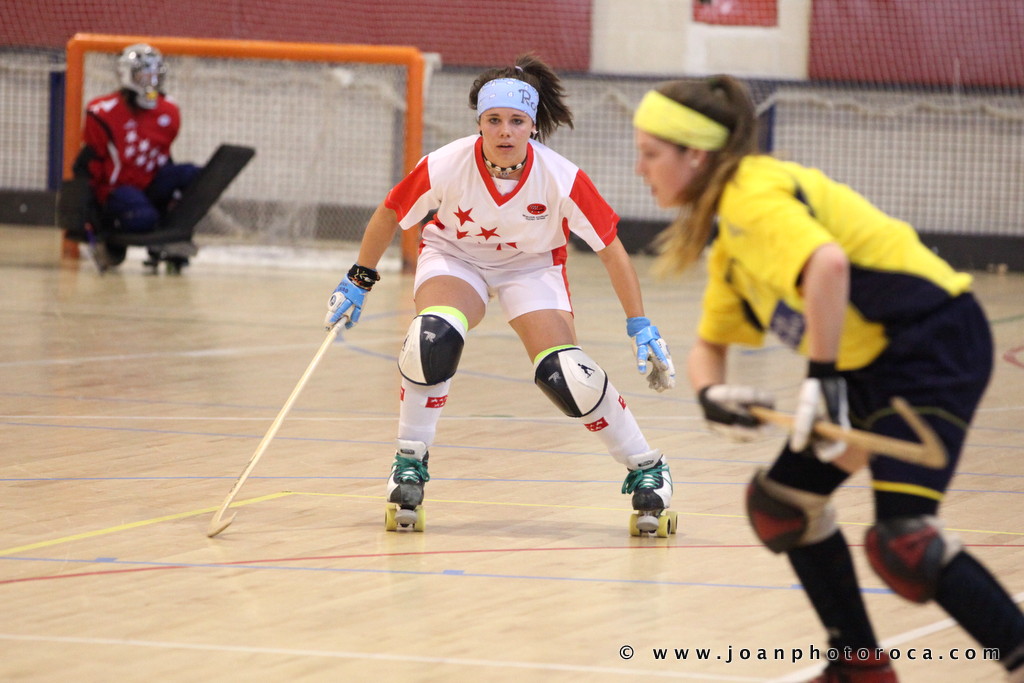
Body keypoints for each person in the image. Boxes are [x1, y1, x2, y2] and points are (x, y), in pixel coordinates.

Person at [631, 75, 1024, 682]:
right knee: (782, 505)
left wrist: (822, 378)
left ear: (695, 154)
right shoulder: (731, 238)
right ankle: (858, 668)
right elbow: (710, 344)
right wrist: (712, 395)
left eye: (650, 154)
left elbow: (828, 264)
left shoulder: (751, 195)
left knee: (905, 545)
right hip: (876, 365)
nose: (640, 170)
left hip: (932, 346)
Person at [325, 54, 678, 535]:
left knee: (565, 373)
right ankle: (409, 461)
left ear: (533, 125)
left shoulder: (560, 177)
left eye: (516, 121)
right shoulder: (447, 163)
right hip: (456, 257)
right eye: (494, 120)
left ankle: (648, 466)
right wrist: (358, 280)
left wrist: (640, 324)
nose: (505, 131)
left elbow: (613, 250)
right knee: (431, 338)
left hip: (531, 269)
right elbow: (391, 212)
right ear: (480, 123)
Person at [74, 43, 200, 273]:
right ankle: (113, 237)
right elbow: (89, 164)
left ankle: (174, 233)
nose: (151, 79)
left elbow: (164, 156)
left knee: (197, 176)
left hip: (149, 185)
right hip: (117, 190)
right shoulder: (102, 112)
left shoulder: (169, 110)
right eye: (144, 72)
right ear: (127, 75)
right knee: (143, 218)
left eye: (156, 73)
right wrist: (89, 215)